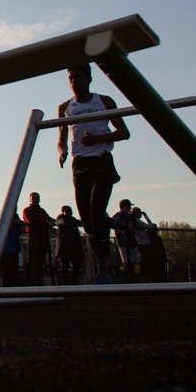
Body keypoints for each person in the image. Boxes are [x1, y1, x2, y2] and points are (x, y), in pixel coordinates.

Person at [57, 65, 130, 284]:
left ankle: (103, 269)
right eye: (70, 78)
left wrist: (98, 139)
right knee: (87, 220)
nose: (74, 81)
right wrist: (62, 152)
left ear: (89, 78)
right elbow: (61, 139)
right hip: (79, 164)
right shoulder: (64, 107)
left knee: (96, 211)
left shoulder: (104, 102)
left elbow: (124, 132)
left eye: (78, 77)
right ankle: (99, 254)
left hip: (101, 160)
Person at [22, 192, 55, 286]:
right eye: (34, 198)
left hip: (43, 237)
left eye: (37, 197)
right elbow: (31, 221)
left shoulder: (41, 210)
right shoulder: (26, 210)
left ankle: (37, 280)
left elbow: (49, 219)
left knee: (40, 260)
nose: (36, 199)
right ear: (30, 199)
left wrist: (52, 221)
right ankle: (29, 281)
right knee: (32, 259)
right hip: (33, 237)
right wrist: (47, 223)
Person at [54, 205, 85, 285]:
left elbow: (80, 223)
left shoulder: (72, 220)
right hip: (64, 246)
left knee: (76, 264)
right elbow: (64, 222)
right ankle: (65, 282)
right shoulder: (60, 219)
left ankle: (74, 280)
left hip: (74, 246)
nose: (70, 213)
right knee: (65, 265)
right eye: (68, 211)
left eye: (70, 211)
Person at [111, 198, 137, 282]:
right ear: (125, 206)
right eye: (129, 206)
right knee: (128, 262)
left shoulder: (124, 216)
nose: (130, 208)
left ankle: (125, 276)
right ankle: (122, 275)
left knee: (131, 262)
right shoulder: (123, 216)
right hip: (125, 241)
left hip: (128, 241)